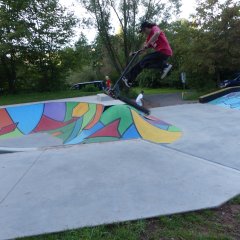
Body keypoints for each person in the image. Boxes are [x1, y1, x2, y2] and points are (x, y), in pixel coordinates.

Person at [122, 21, 173, 88]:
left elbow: (157, 33)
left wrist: (148, 43)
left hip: (164, 51)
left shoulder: (155, 28)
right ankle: (129, 80)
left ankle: (165, 66)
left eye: (144, 31)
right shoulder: (149, 38)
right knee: (141, 64)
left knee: (144, 60)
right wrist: (134, 53)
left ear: (146, 28)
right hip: (161, 54)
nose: (144, 33)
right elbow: (143, 50)